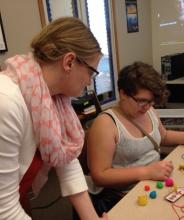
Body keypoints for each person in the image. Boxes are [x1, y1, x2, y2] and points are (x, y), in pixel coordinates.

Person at [0, 17, 108, 220]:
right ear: (69, 62)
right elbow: (3, 210)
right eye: (91, 73)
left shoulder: (53, 99)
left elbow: (67, 161)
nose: (89, 82)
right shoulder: (6, 102)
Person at [86, 61, 184, 214]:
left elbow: (163, 136)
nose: (148, 107)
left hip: (154, 181)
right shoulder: (105, 124)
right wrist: (146, 172)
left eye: (151, 102)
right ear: (123, 93)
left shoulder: (149, 110)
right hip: (125, 195)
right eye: (142, 101)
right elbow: (99, 175)